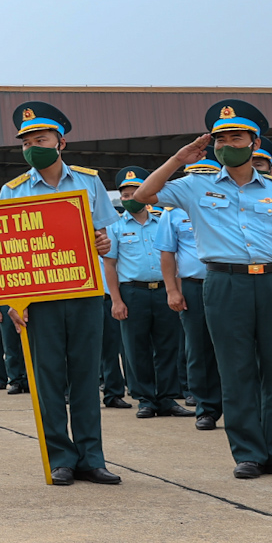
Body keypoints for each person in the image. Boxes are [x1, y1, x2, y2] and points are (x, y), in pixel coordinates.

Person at [127, 101, 272, 480]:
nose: (227, 144)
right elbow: (140, 197)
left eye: (236, 137)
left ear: (254, 142)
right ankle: (249, 453)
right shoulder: (194, 186)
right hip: (224, 282)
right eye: (220, 138)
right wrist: (178, 158)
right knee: (236, 368)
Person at [0, 102, 121, 486]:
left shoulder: (89, 181)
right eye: (26, 142)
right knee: (48, 379)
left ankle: (92, 457)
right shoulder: (13, 190)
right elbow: (3, 250)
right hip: (39, 300)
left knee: (86, 375)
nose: (33, 146)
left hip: (84, 293)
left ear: (60, 142)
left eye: (41, 139)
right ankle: (60, 459)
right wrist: (12, 303)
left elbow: (105, 236)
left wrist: (102, 243)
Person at [102, 168, 190, 420]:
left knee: (167, 347)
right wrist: (116, 300)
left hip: (164, 291)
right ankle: (145, 399)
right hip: (133, 293)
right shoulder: (115, 226)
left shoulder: (163, 219)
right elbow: (110, 265)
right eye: (125, 194)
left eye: (135, 193)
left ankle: (166, 398)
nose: (130, 198)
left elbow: (175, 257)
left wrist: (177, 291)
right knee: (136, 348)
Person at [153, 188, 220, 429]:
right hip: (193, 285)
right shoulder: (172, 214)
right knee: (198, 348)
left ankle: (240, 406)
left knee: (239, 345)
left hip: (228, 281)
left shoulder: (223, 203)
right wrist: (172, 290)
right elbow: (167, 253)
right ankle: (207, 409)